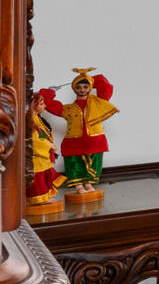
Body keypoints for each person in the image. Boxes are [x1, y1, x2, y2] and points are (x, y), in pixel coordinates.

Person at [41, 69, 116, 200]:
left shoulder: (98, 103)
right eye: (78, 87)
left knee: (94, 163)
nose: (82, 90)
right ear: (74, 89)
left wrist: (90, 77)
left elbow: (106, 86)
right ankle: (78, 186)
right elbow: (47, 102)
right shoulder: (67, 108)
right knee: (75, 163)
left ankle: (89, 183)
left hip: (95, 140)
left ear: (90, 87)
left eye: (86, 86)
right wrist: (50, 92)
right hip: (74, 142)